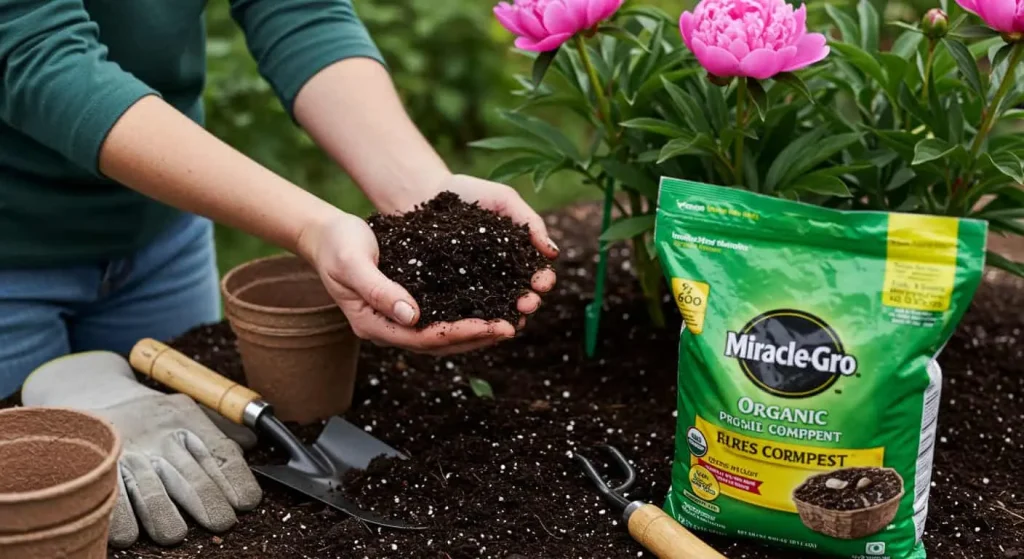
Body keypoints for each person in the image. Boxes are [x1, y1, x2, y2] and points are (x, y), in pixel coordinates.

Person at [0, 0, 559, 400]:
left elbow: (297, 10)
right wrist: (312, 228)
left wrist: (422, 194)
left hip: (163, 232)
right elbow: (37, 54)